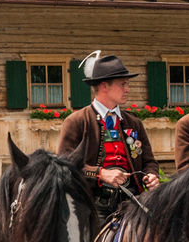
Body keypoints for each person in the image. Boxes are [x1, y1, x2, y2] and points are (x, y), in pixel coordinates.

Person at [57, 52, 160, 226]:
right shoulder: (76, 121)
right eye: (123, 84)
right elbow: (63, 166)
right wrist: (101, 173)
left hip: (133, 199)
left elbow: (149, 161)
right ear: (104, 86)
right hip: (93, 202)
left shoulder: (133, 123)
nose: (127, 89)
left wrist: (151, 175)